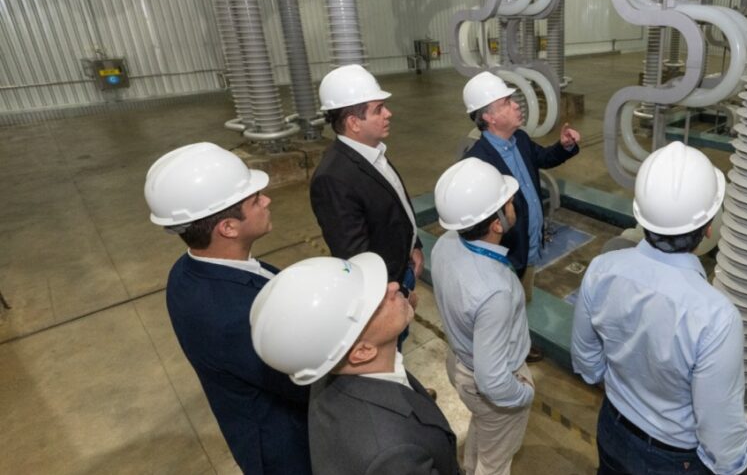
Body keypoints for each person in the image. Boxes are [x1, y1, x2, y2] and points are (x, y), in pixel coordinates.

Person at [572, 141, 747, 475]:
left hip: (612, 428)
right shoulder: (716, 317)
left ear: (641, 215)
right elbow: (719, 429)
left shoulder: (602, 269)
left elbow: (587, 363)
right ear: (709, 227)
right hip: (673, 459)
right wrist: (733, 466)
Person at [144, 142, 310, 475]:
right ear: (228, 228)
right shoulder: (233, 318)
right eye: (255, 199)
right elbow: (303, 383)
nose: (268, 200)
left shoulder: (187, 270)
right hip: (289, 450)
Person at [250, 252, 461, 475]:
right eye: (378, 304)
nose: (393, 286)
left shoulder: (331, 363)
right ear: (362, 351)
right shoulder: (392, 455)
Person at [462, 71, 580, 361]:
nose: (517, 105)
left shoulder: (521, 140)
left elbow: (543, 158)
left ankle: (518, 344)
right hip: (506, 255)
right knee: (501, 309)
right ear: (488, 117)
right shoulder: (477, 162)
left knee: (521, 301)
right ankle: (506, 355)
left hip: (529, 247)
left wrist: (564, 145)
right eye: (507, 102)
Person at [431, 158, 534, 475]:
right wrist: (522, 394)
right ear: (498, 223)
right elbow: (492, 379)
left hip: (460, 361)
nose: (513, 203)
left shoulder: (445, 243)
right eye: (507, 201)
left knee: (483, 433)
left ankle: (468, 466)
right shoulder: (494, 291)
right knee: (495, 463)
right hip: (487, 379)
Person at [310, 64, 423, 345]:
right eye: (378, 109)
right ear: (353, 122)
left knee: (400, 342)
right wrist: (394, 296)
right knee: (388, 349)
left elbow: (396, 208)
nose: (389, 113)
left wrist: (415, 245)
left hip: (402, 270)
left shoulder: (373, 152)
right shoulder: (333, 178)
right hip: (386, 291)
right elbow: (355, 256)